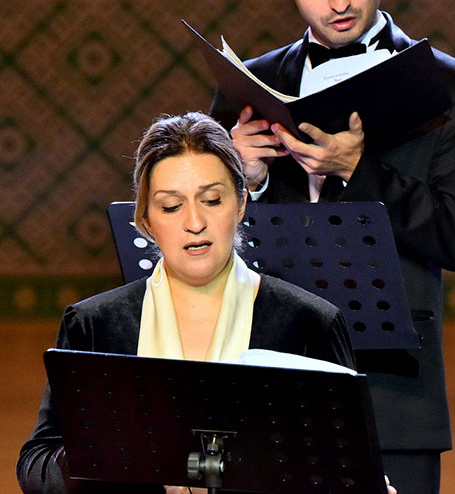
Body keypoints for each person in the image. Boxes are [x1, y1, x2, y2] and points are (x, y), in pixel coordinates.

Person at [208, 0, 455, 494]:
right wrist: (246, 184)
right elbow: (204, 248)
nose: (339, 2)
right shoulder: (248, 86)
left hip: (395, 391)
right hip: (268, 376)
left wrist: (361, 170)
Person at [17, 112, 373, 493]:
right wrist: (120, 446)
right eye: (171, 206)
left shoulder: (310, 321)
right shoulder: (94, 323)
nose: (195, 222)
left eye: (212, 200)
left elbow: (348, 468)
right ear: (146, 221)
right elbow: (36, 467)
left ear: (239, 205)